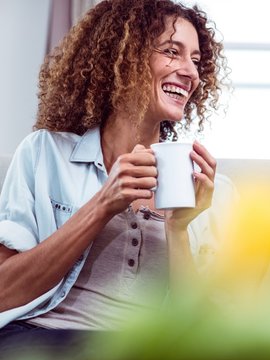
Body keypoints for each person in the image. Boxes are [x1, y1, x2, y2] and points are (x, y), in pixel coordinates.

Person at [0, 0, 229, 357]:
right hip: (43, 336)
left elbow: (201, 335)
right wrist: (102, 205)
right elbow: (4, 293)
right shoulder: (45, 153)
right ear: (125, 57)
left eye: (196, 61)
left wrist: (179, 228)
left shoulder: (206, 187)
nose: (191, 73)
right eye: (172, 52)